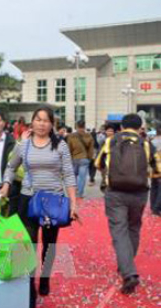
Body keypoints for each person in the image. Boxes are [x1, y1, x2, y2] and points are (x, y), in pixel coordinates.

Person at [1, 106, 78, 308]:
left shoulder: (60, 146)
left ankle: (44, 278)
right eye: (38, 120)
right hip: (28, 200)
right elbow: (10, 166)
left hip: (53, 201)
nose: (42, 124)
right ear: (32, 122)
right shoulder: (24, 145)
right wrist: (7, 184)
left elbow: (69, 174)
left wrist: (73, 203)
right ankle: (29, 288)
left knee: (49, 245)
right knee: (28, 245)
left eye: (46, 120)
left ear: (52, 124)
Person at [95, 114, 158, 294]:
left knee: (119, 230)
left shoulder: (110, 141)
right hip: (139, 194)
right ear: (140, 128)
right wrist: (145, 177)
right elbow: (158, 169)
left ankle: (128, 272)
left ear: (121, 127)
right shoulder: (146, 144)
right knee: (133, 228)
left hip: (115, 193)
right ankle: (126, 264)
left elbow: (98, 162)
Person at [67, 120, 95, 198]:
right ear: (84, 126)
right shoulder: (89, 136)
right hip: (84, 159)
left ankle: (74, 191)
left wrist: (70, 158)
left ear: (76, 126)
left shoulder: (71, 136)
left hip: (74, 158)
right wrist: (89, 158)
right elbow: (91, 149)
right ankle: (80, 194)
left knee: (74, 176)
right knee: (82, 177)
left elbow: (69, 148)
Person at [150, 126, 161, 216]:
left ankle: (153, 206)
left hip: (153, 167)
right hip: (159, 166)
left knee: (154, 187)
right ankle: (157, 208)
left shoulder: (152, 141)